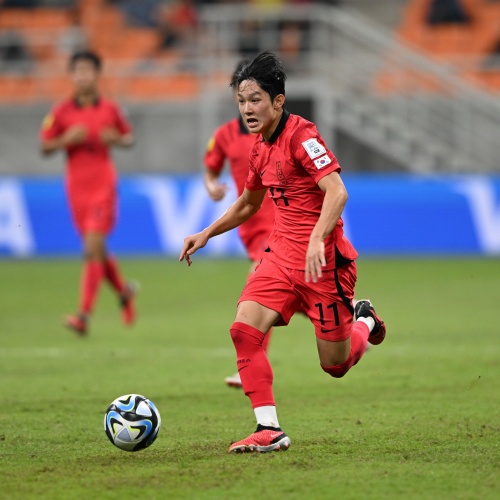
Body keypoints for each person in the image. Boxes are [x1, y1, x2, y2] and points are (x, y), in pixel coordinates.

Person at [180, 51, 386, 453]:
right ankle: (268, 428)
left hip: (323, 265)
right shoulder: (259, 147)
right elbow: (248, 203)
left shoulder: (303, 137)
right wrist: (206, 233)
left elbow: (337, 191)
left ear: (278, 101)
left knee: (336, 365)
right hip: (279, 258)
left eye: (255, 100)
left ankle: (363, 319)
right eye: (242, 101)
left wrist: (317, 238)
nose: (247, 109)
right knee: (243, 331)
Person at [39, 50, 137, 336]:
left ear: (97, 74)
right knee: (97, 250)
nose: (82, 76)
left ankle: (83, 315)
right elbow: (44, 146)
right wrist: (64, 140)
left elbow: (129, 137)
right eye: (78, 71)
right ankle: (124, 293)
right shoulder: (60, 112)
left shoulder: (111, 109)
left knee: (92, 246)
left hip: (103, 185)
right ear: (72, 76)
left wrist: (116, 139)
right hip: (76, 188)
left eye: (87, 70)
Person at [203, 60, 275, 389]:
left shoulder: (279, 133)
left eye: (254, 95)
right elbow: (210, 170)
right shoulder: (224, 136)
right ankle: (355, 315)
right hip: (250, 226)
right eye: (241, 94)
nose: (247, 102)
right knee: (293, 296)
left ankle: (250, 365)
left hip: (281, 224)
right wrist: (211, 187)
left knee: (258, 286)